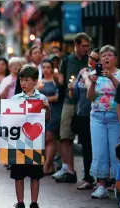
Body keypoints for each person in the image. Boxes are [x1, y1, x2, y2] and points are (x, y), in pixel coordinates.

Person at [87, 45, 120, 199]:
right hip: (97, 116)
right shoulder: (93, 74)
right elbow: (90, 97)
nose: (106, 58)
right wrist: (92, 83)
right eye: (103, 55)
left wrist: (111, 77)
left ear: (115, 58)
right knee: (99, 151)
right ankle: (101, 185)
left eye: (109, 55)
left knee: (115, 151)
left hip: (115, 117)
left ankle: (119, 186)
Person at [11, 65, 50, 208]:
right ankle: (20, 203)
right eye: (21, 80)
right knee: (18, 174)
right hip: (18, 141)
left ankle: (34, 203)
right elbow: (9, 120)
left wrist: (47, 109)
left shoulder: (42, 99)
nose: (23, 83)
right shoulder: (15, 99)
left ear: (35, 82)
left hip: (35, 143)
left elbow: (46, 120)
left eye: (27, 80)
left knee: (35, 174)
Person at [52, 32, 91, 182]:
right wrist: (56, 79)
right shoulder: (68, 60)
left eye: (88, 46)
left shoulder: (90, 60)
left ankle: (89, 174)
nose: (86, 49)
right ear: (76, 45)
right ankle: (69, 170)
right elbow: (61, 81)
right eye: (83, 46)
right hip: (69, 102)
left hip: (86, 104)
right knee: (65, 136)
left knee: (86, 140)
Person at [68, 48, 100, 189]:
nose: (91, 61)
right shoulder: (83, 73)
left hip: (94, 115)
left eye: (95, 59)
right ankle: (88, 178)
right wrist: (71, 89)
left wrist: (87, 76)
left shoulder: (98, 75)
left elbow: (90, 91)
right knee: (86, 147)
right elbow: (74, 96)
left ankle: (101, 179)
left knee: (96, 147)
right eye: (90, 57)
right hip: (81, 114)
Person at [36, 59, 62, 175]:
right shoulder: (39, 82)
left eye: (48, 67)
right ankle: (50, 165)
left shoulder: (56, 81)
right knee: (43, 139)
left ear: (52, 68)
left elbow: (57, 97)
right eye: (44, 67)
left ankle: (46, 165)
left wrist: (45, 99)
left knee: (50, 138)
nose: (46, 69)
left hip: (54, 111)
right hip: (41, 113)